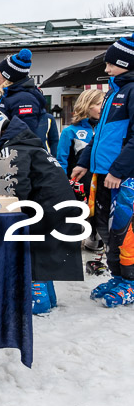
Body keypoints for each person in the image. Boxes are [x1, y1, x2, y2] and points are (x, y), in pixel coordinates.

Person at [0, 111, 83, 314]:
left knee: (31, 250)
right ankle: (48, 296)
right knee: (44, 250)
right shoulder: (31, 144)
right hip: (62, 205)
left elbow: (16, 183)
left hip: (48, 207)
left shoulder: (13, 147)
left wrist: (13, 211)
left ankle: (37, 298)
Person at [71, 33, 134, 307]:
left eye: (111, 64)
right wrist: (84, 162)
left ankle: (131, 281)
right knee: (105, 229)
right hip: (104, 174)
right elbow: (100, 135)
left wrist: (119, 170)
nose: (106, 69)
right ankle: (119, 276)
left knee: (125, 231)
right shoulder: (114, 91)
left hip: (123, 177)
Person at [55, 89, 105, 256]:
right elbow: (61, 160)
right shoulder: (70, 131)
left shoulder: (105, 130)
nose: (102, 107)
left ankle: (95, 237)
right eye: (98, 104)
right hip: (78, 184)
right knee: (76, 214)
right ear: (87, 105)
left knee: (99, 214)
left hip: (102, 182)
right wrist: (62, 184)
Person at [0, 49, 59, 154]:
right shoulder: (11, 95)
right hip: (9, 152)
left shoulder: (24, 98)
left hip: (17, 156)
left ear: (7, 76)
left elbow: (24, 133)